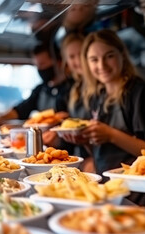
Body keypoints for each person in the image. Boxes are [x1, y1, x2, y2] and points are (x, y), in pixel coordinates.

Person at [71, 29, 145, 176]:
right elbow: (103, 153)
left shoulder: (144, 92)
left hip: (140, 189)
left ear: (122, 54)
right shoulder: (97, 96)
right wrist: (84, 140)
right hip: (108, 185)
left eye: (109, 56)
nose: (102, 65)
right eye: (94, 59)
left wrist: (111, 134)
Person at [0, 44, 73, 145]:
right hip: (43, 143)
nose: (40, 69)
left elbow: (75, 119)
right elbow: (21, 110)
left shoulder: (72, 88)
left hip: (67, 145)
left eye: (43, 64)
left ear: (58, 62)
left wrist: (58, 132)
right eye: (37, 66)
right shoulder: (41, 89)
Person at [58, 32, 95, 172]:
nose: (77, 60)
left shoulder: (100, 87)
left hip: (96, 157)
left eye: (80, 54)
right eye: (71, 56)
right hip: (83, 154)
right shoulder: (75, 89)